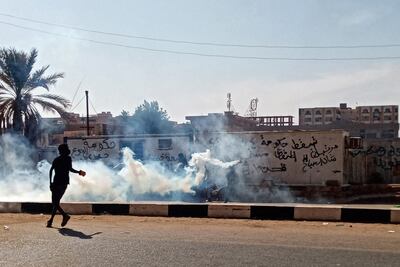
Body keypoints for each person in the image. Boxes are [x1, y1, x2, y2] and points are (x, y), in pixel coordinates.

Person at [47, 144, 86, 228]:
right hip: (64, 183)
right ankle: (51, 221)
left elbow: (50, 171)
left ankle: (64, 216)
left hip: (56, 183)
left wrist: (50, 183)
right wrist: (79, 172)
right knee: (56, 203)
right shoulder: (68, 159)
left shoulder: (57, 159)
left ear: (60, 151)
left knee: (55, 202)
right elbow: (70, 169)